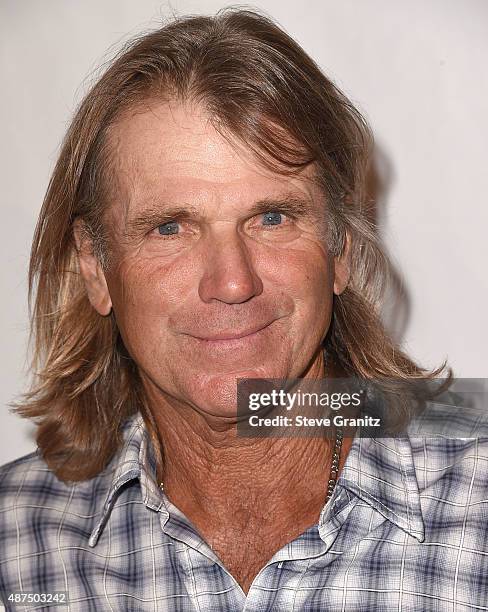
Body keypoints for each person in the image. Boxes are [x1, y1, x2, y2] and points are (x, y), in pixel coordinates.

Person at [1, 8, 487, 611]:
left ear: (339, 248)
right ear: (97, 268)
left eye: (273, 218)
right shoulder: (15, 541)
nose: (232, 282)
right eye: (171, 228)